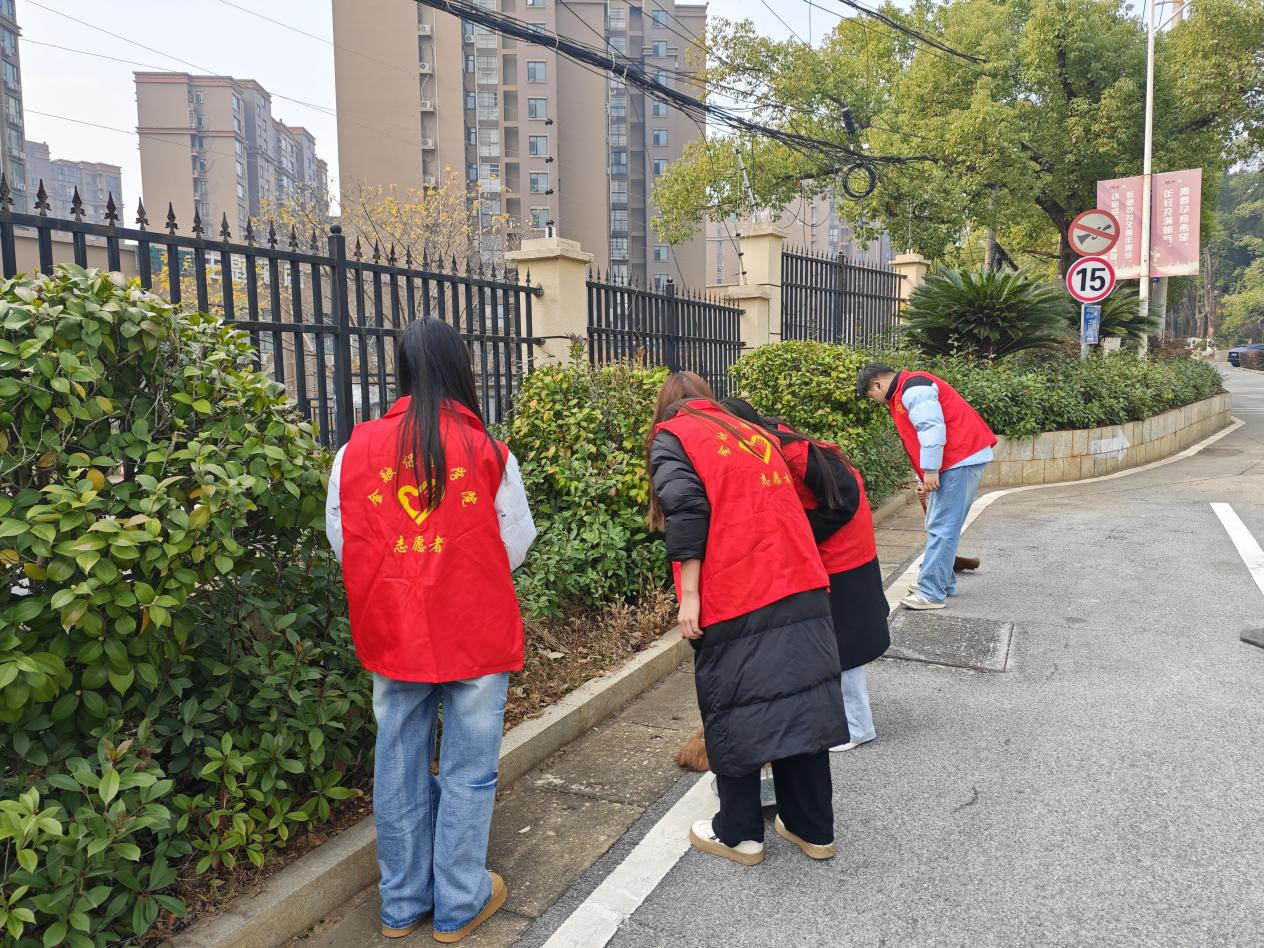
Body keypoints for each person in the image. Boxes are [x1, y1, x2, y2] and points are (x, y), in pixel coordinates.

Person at [325, 317, 537, 942]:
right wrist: (459, 573)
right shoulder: (488, 451)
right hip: (474, 629)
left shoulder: (354, 452)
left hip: (393, 630)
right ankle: (459, 902)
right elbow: (516, 542)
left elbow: (345, 540)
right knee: (470, 767)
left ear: (402, 369)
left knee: (398, 762)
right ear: (460, 371)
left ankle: (400, 905)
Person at [648, 371, 847, 866]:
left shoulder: (675, 435)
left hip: (737, 591)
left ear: (666, 407)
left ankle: (739, 835)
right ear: (708, 400)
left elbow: (686, 510)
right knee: (802, 704)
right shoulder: (753, 433)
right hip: (800, 583)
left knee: (734, 708)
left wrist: (689, 597)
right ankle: (811, 828)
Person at [723, 399, 890, 753]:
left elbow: (845, 496)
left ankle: (858, 727)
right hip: (836, 550)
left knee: (844, 645)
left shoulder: (790, 451)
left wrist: (797, 533)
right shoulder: (773, 440)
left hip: (842, 555)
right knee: (834, 641)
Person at [857, 363, 996, 611]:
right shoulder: (905, 390)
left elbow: (931, 428)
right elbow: (919, 438)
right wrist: (924, 477)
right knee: (938, 523)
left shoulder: (913, 388)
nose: (875, 401)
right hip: (956, 459)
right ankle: (943, 582)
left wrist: (930, 470)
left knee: (942, 526)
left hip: (959, 458)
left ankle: (931, 592)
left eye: (871, 395)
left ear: (877, 384)